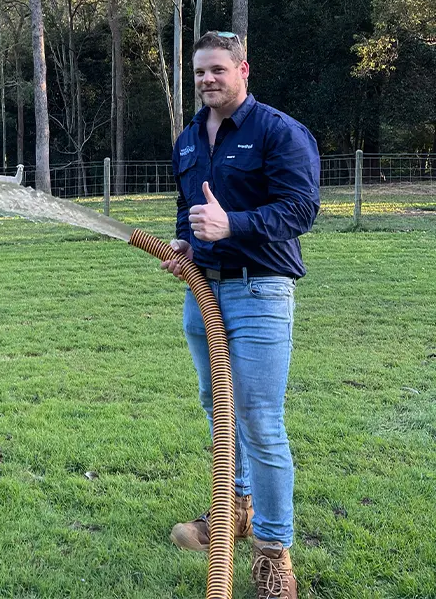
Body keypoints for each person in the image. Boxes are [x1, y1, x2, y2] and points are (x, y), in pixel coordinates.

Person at [162, 31, 320, 599]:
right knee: (219, 411)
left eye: (218, 70)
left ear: (243, 70)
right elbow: (189, 210)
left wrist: (235, 225)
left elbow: (302, 209)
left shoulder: (278, 132)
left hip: (260, 293)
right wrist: (184, 245)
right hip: (202, 291)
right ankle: (235, 515)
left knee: (259, 420)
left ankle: (274, 555)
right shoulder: (187, 139)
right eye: (200, 71)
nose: (207, 79)